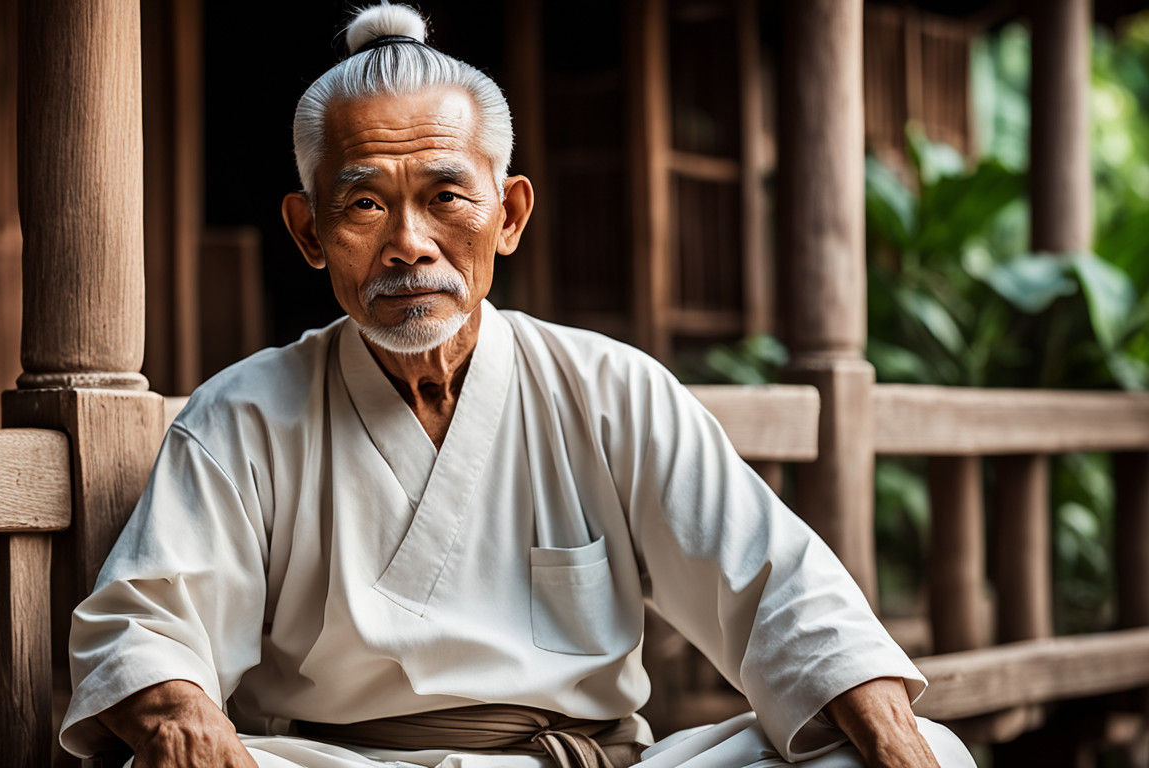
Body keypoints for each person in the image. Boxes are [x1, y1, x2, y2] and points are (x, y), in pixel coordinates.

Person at [60, 4, 975, 767]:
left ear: (510, 215)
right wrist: (189, 720)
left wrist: (891, 735)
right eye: (365, 202)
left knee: (913, 745)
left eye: (446, 197)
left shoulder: (609, 390)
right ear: (308, 232)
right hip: (344, 764)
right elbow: (148, 627)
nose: (408, 242)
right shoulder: (245, 416)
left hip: (588, 764)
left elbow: (779, 589)